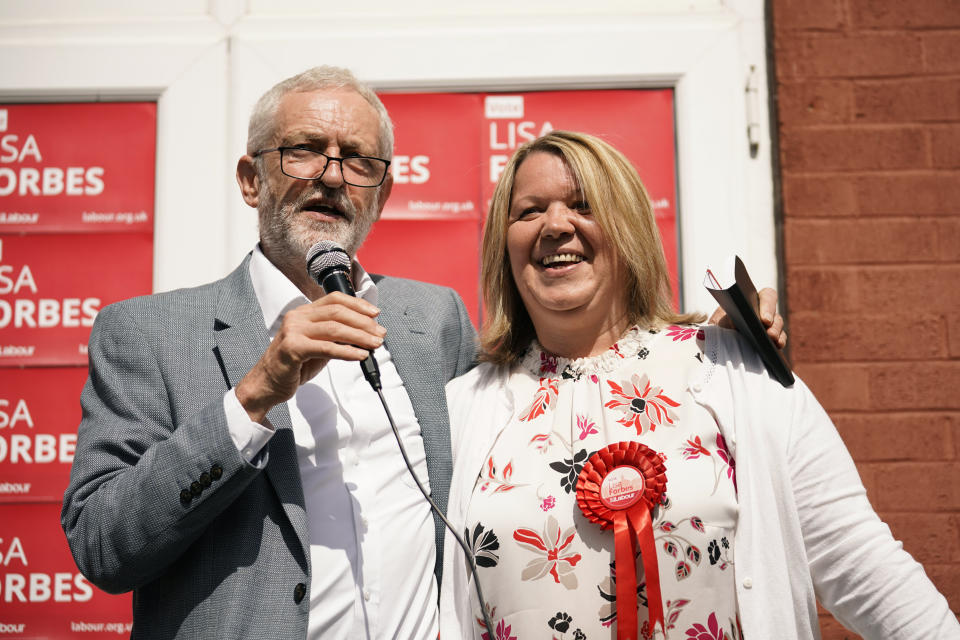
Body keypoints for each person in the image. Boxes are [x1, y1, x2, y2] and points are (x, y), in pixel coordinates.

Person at [61, 66, 784, 639]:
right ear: (252, 178)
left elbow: (556, 377)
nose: (332, 175)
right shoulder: (149, 334)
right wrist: (253, 395)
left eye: (357, 160)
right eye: (305, 150)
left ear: (383, 191)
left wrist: (705, 338)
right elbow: (102, 546)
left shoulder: (429, 319)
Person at [439, 130, 960, 640]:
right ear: (502, 245)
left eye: (584, 204)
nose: (555, 225)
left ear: (629, 227)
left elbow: (858, 560)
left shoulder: (736, 373)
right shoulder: (465, 410)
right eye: (529, 211)